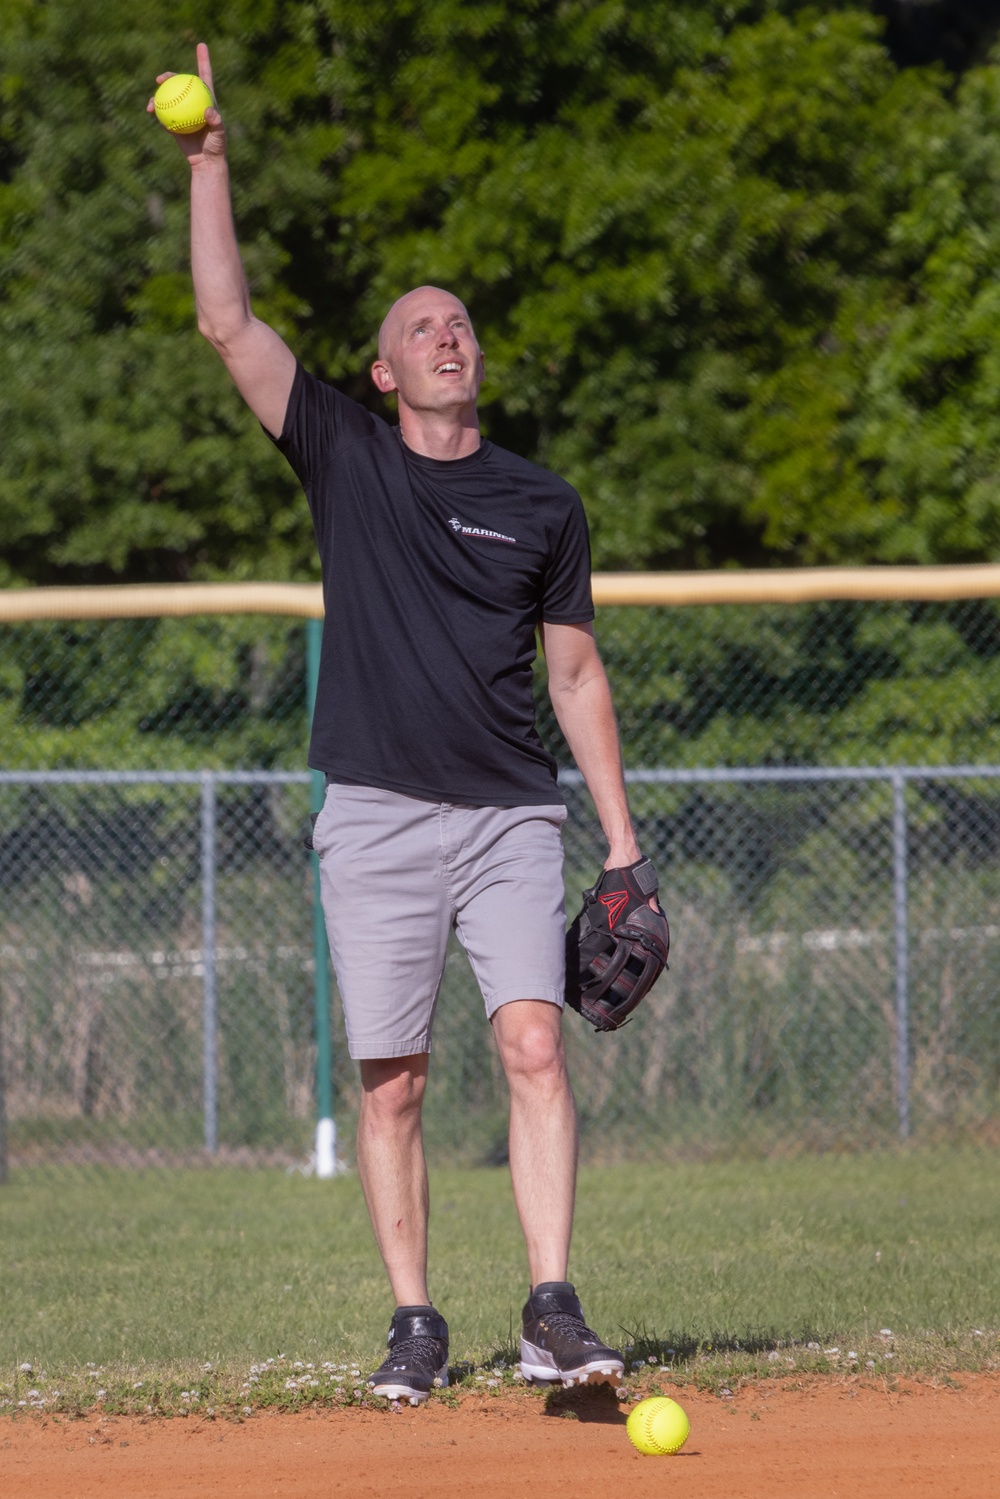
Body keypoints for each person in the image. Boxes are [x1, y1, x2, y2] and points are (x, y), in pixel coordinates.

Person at [150, 43, 655, 1406]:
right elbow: (226, 327)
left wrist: (620, 847)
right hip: (373, 809)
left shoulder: (543, 503)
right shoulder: (344, 454)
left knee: (535, 1044)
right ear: (380, 373)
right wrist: (210, 168)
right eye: (421, 326)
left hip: (507, 815)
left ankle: (552, 1308)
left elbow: (578, 677)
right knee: (393, 1081)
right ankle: (417, 1322)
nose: (448, 333)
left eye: (461, 323)